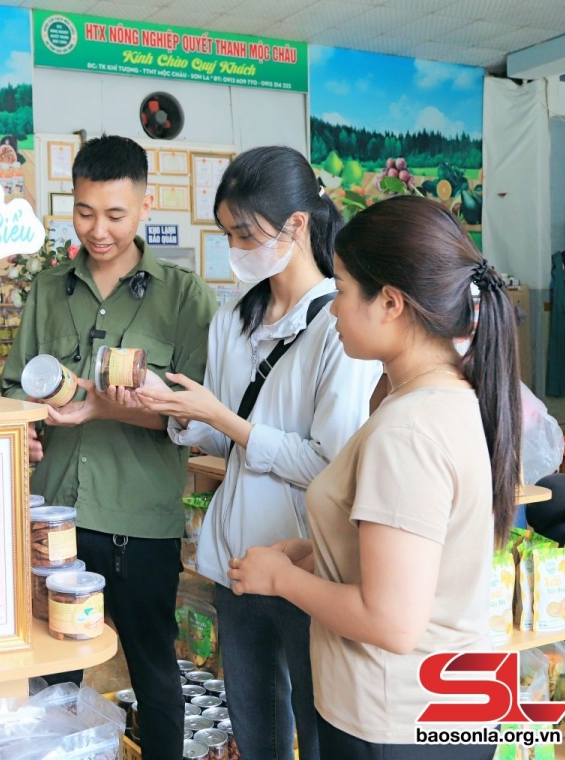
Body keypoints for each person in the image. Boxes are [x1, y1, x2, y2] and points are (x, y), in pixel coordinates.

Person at [229, 195, 517, 760]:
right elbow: (419, 560)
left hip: (396, 720)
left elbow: (392, 622)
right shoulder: (441, 398)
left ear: (389, 303)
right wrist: (322, 553)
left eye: (339, 290)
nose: (332, 310)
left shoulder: (408, 430)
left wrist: (281, 581)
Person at [134, 145, 383, 760]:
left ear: (297, 225)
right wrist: (179, 414)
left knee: (320, 724)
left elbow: (331, 466)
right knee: (255, 724)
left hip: (307, 563)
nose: (235, 248)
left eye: (245, 233)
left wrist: (226, 420)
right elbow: (223, 439)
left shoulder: (338, 323)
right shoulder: (233, 317)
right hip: (237, 563)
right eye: (226, 234)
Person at [1, 134, 217, 756]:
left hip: (139, 522)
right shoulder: (47, 290)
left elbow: (197, 416)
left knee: (154, 668)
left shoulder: (184, 297)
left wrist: (105, 407)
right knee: (53, 674)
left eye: (116, 215)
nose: (99, 230)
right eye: (85, 212)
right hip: (55, 515)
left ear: (147, 206)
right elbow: (16, 388)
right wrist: (28, 432)